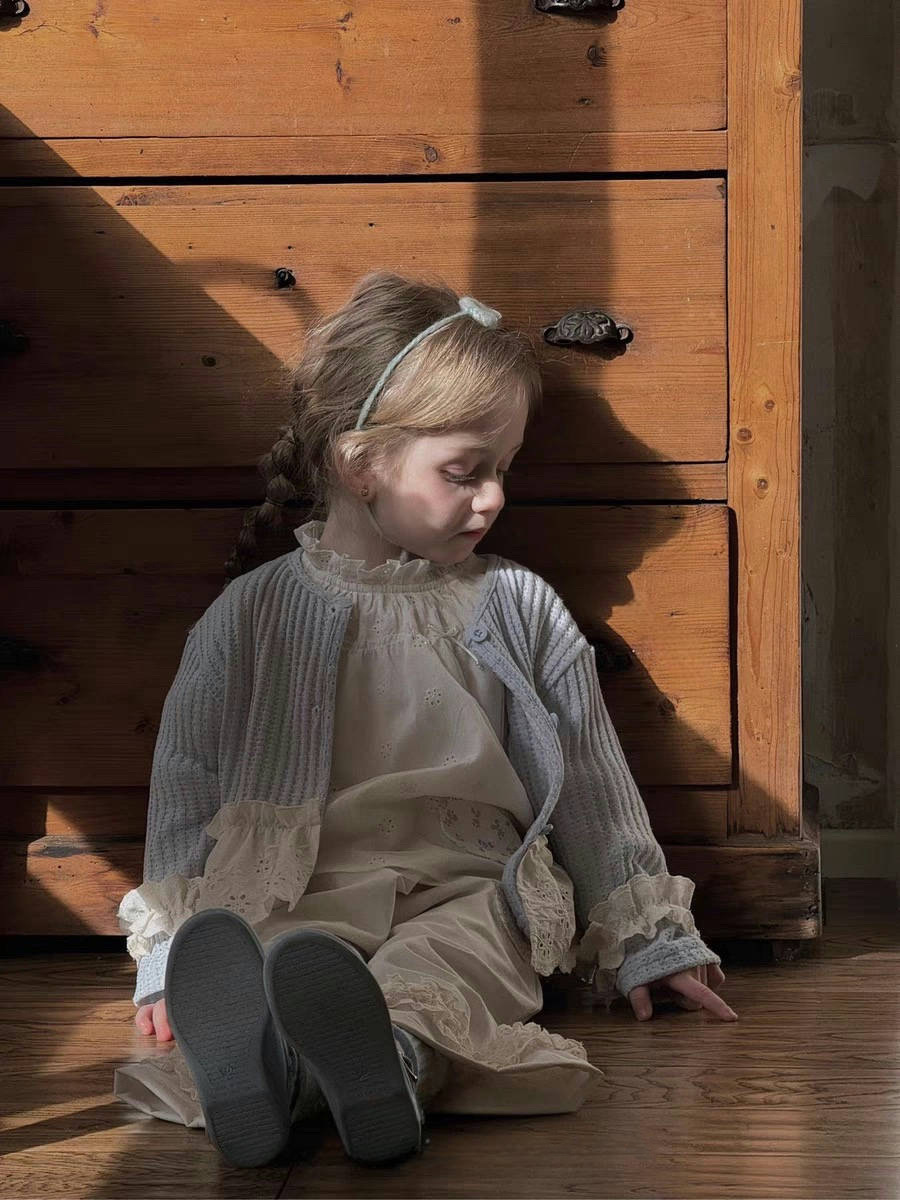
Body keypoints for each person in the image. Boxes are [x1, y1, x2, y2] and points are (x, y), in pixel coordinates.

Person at [113, 268, 738, 1169]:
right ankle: (267, 1068)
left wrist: (651, 939)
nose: (494, 497)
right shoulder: (253, 615)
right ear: (360, 463)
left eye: (503, 470)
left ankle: (388, 1063)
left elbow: (592, 783)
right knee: (272, 960)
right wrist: (168, 952)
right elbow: (187, 782)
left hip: (472, 890)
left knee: (447, 969)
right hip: (304, 887)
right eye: (464, 472)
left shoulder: (518, 607)